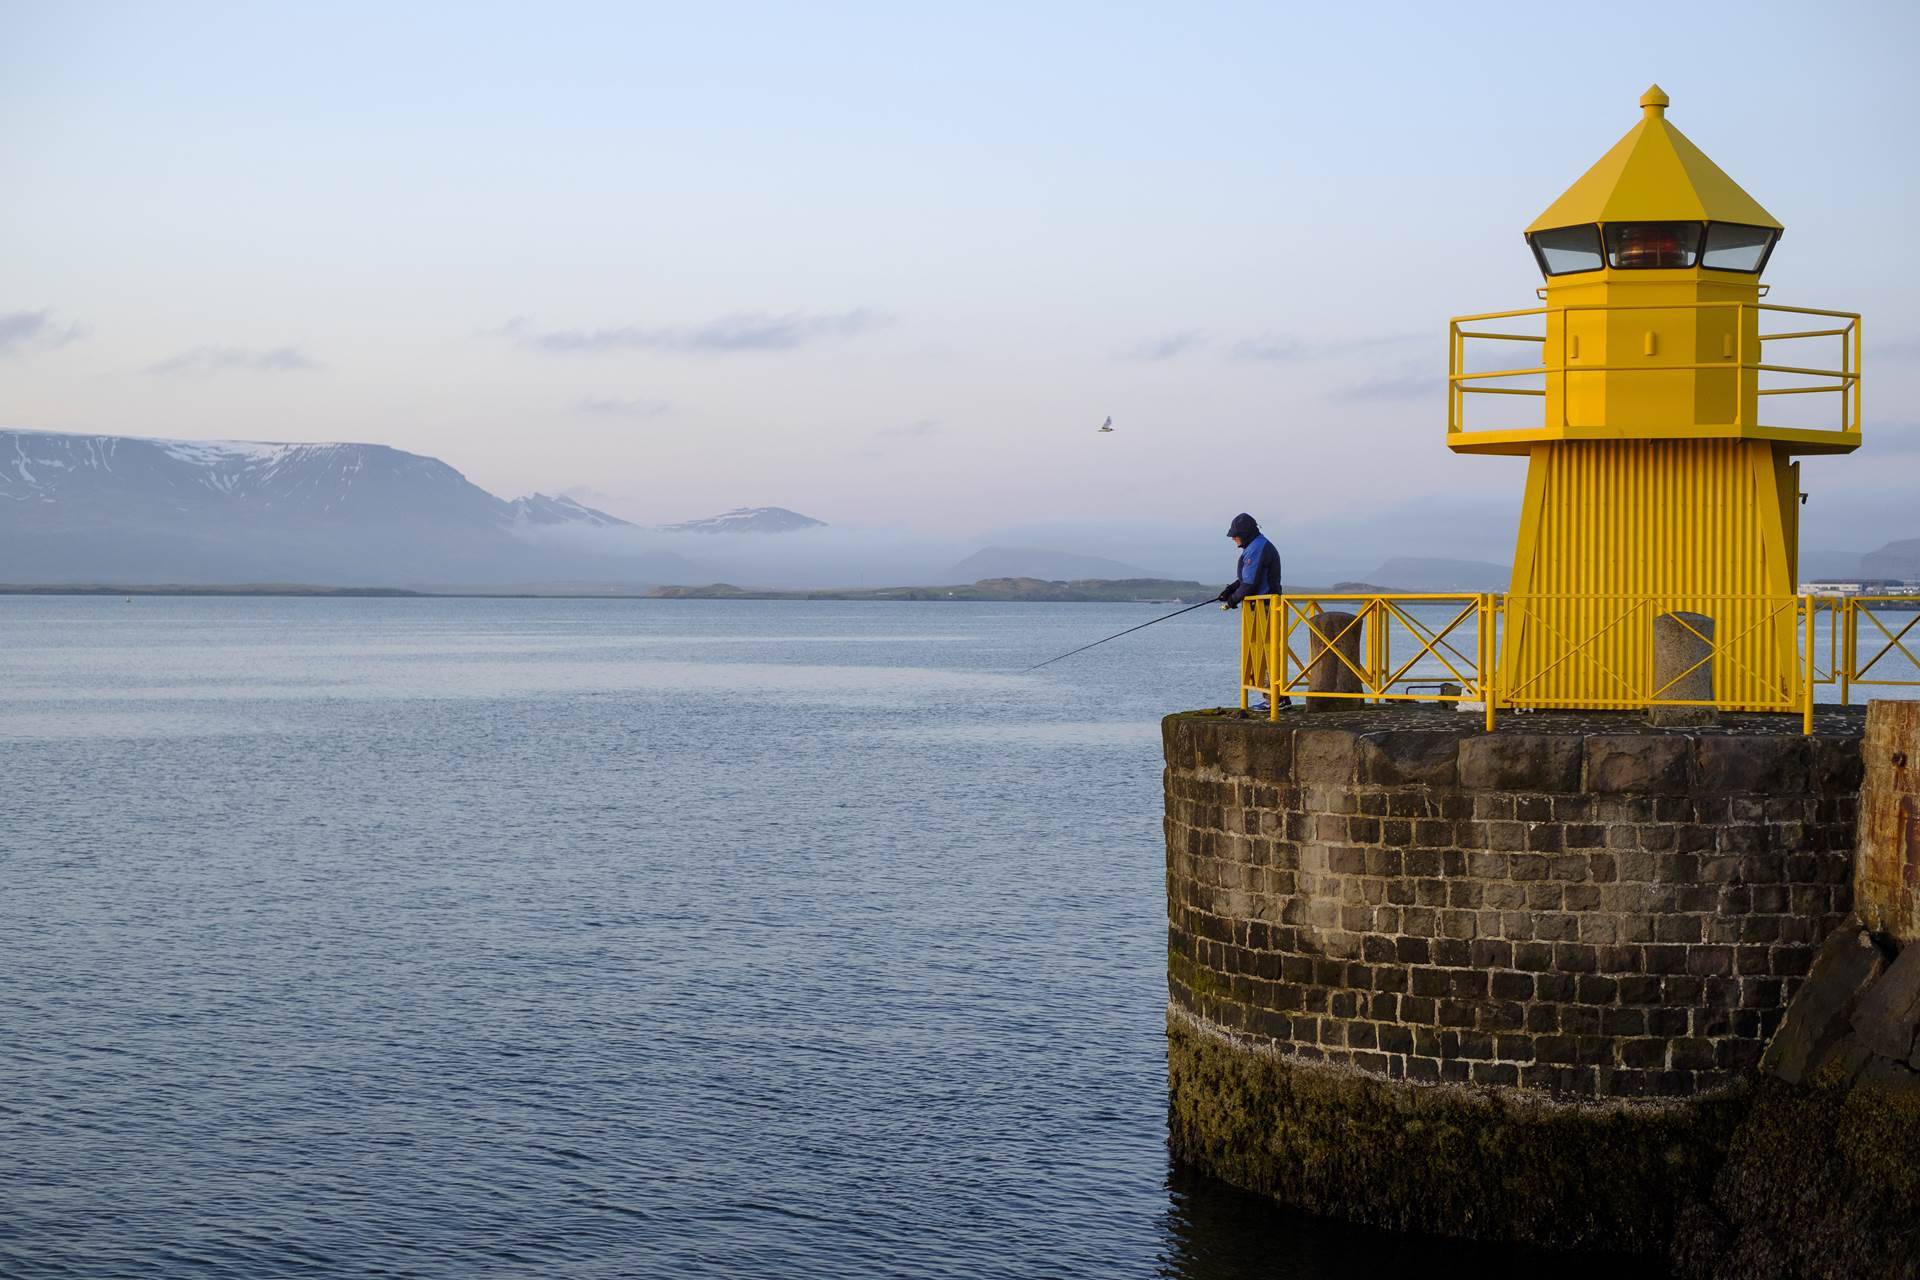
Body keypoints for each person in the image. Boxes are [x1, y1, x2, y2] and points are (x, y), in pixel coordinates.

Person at [1219, 512, 1288, 709]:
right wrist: (1230, 589)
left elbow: (1250, 583)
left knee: (1266, 653)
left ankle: (1277, 700)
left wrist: (1232, 600)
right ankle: (1276, 698)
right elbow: (1246, 579)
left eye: (1235, 534)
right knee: (1263, 652)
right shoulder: (1255, 546)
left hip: (1265, 607)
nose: (1233, 538)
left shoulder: (1258, 548)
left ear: (1245, 533)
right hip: (1261, 607)